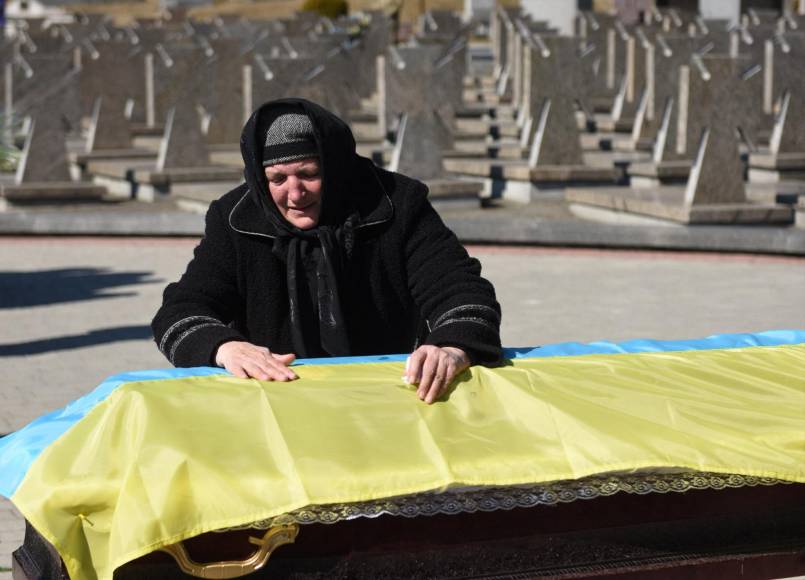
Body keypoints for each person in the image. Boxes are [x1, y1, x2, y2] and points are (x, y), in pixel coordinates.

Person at [152, 98, 501, 404]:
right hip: (274, 402)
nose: (295, 193)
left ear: (336, 168)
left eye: (309, 174)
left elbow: (460, 290)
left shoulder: (398, 204)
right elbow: (180, 311)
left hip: (392, 398)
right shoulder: (234, 219)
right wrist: (224, 347)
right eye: (277, 179)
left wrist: (452, 348)